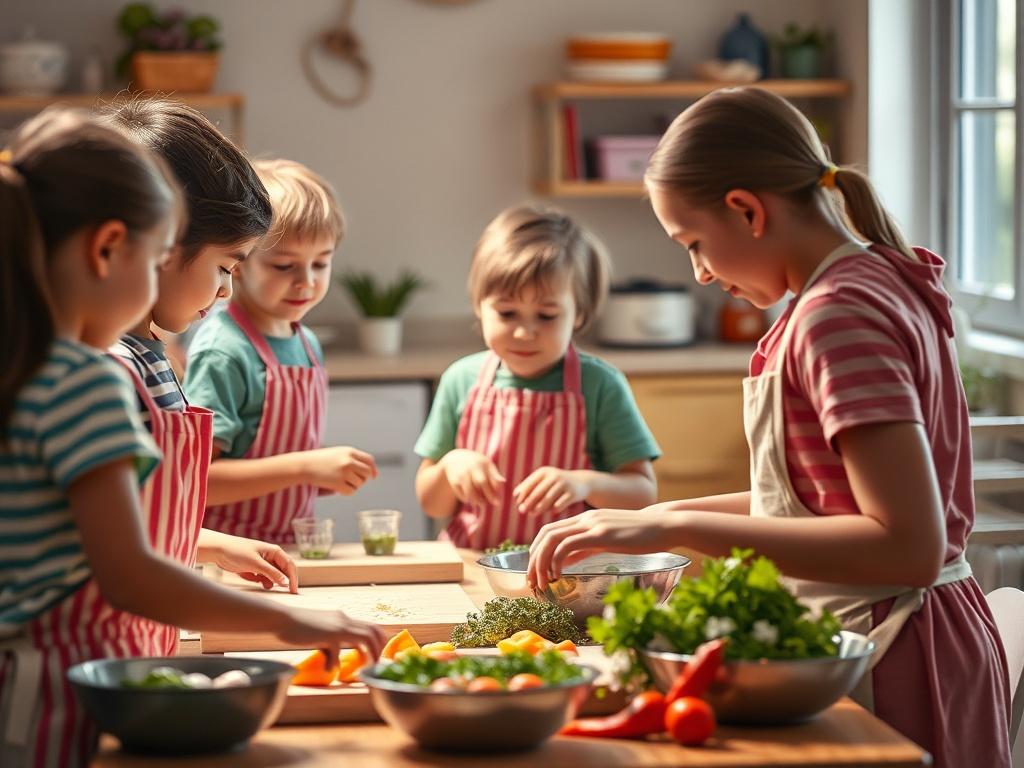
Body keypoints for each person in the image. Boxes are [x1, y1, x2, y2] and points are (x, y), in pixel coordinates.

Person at [526, 86, 1011, 767]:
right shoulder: (869, 282)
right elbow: (817, 507)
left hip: (898, 650)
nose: (697, 272)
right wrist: (657, 516)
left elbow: (907, 548)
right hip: (891, 637)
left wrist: (670, 528)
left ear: (747, 210)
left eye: (694, 243)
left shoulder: (837, 317)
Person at [0, 109, 382, 768]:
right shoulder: (88, 379)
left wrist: (201, 541)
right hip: (58, 703)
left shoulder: (29, 363)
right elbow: (127, 575)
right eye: (157, 260)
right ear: (109, 249)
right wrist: (291, 623)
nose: (224, 289)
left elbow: (73, 527)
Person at [415, 204, 659, 549]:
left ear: (578, 314)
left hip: (569, 572)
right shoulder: (460, 379)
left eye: (546, 316)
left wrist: (584, 484)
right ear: (479, 307)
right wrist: (451, 465)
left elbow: (643, 494)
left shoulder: (600, 384)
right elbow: (431, 503)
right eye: (507, 313)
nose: (524, 332)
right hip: (473, 563)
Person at [185, 158, 377, 543]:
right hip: (231, 555)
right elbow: (199, 481)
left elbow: (277, 457)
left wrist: (322, 474)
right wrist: (305, 467)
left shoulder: (305, 343)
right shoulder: (223, 350)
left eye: (321, 264)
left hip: (289, 547)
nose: (306, 282)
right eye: (285, 266)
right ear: (238, 263)